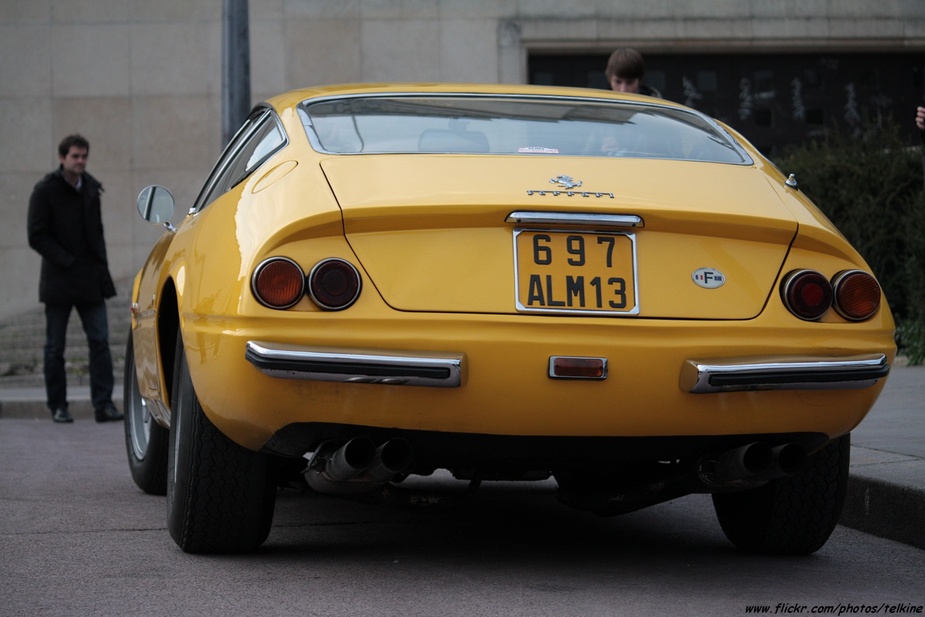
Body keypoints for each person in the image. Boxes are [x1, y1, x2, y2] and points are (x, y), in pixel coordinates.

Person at [27, 134, 123, 424]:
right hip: (59, 281)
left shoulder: (91, 189)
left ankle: (103, 405)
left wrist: (103, 273)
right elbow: (36, 236)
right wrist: (67, 260)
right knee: (55, 347)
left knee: (101, 343)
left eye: (84, 156)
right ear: (62, 158)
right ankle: (58, 406)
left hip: (90, 281)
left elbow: (98, 236)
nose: (80, 161)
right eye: (75, 156)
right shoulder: (45, 191)